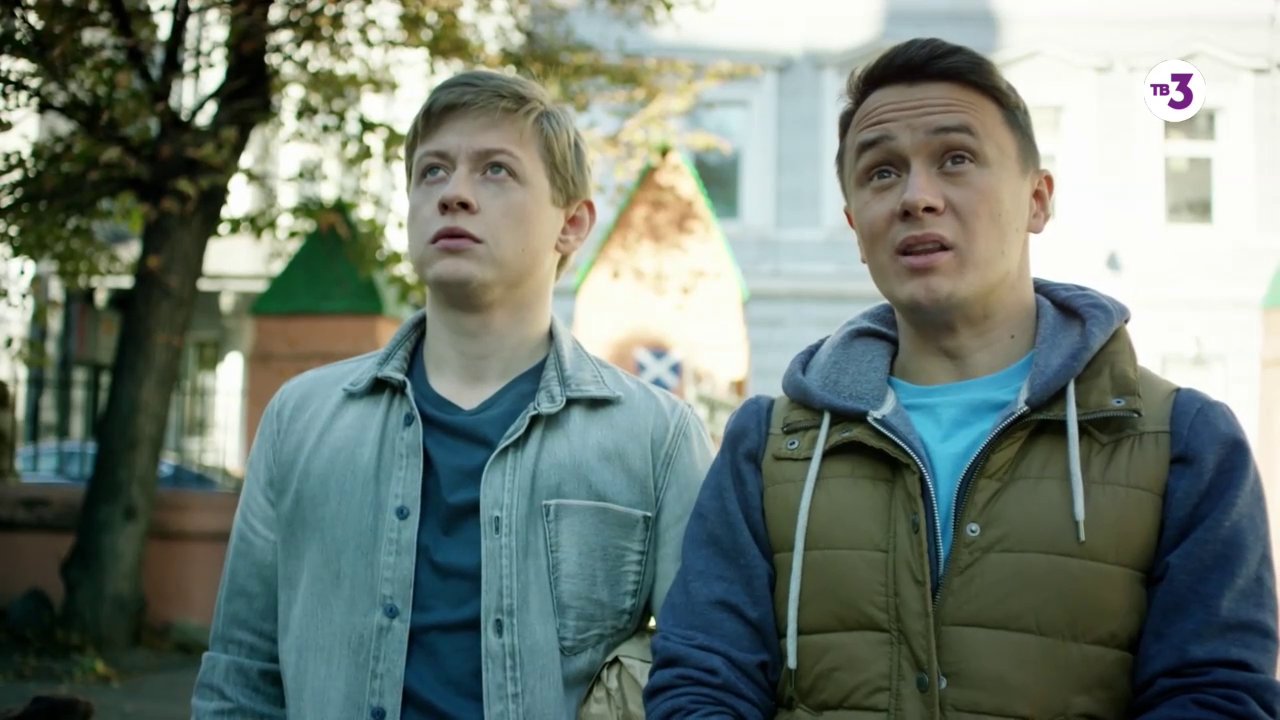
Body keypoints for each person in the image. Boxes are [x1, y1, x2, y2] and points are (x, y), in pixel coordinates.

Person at [644, 37, 1280, 719]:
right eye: (881, 172)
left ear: (1037, 199)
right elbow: (701, 683)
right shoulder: (771, 448)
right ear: (856, 226)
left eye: (956, 159)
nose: (916, 197)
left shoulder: (1182, 440)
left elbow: (1217, 695)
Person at [192, 69, 713, 720]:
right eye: (432, 172)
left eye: (496, 170)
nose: (454, 194)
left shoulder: (657, 439)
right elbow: (241, 676)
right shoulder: (300, 420)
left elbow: (704, 671)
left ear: (572, 224)